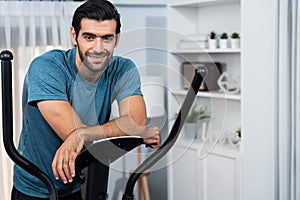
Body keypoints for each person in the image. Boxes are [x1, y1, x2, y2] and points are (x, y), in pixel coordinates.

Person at [11, 0, 161, 199]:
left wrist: (84, 133)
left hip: (74, 184)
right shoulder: (46, 67)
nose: (98, 48)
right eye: (89, 37)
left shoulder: (123, 69)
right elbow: (72, 133)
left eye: (107, 38)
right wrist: (133, 134)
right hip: (35, 187)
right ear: (74, 36)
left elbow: (136, 121)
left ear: (117, 39)